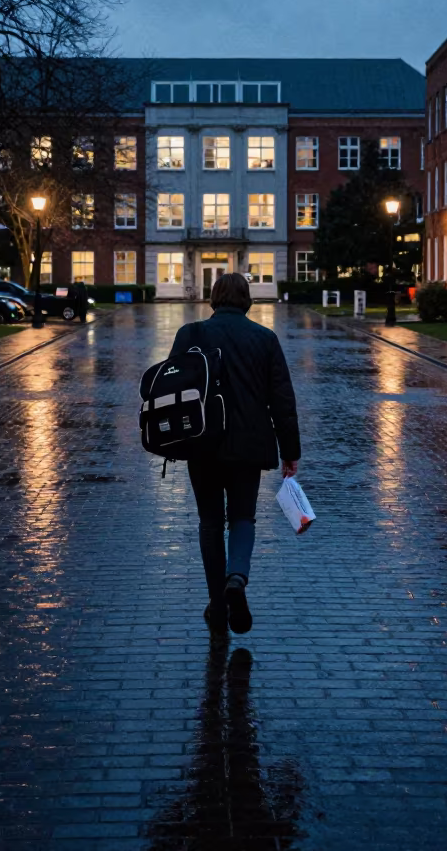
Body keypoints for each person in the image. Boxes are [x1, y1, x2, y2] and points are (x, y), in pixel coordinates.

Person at [169, 272, 301, 634]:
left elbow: (171, 392)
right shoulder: (265, 339)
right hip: (249, 445)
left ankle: (217, 604)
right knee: (243, 518)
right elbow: (283, 402)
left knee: (210, 523)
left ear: (213, 298)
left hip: (202, 444)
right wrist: (290, 451)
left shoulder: (190, 334)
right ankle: (237, 580)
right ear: (247, 300)